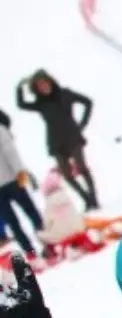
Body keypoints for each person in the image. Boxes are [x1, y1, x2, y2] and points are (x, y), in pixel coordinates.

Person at [15, 71, 99, 210]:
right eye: (39, 86)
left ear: (50, 82)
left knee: (82, 167)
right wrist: (19, 88)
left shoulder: (65, 94)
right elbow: (21, 104)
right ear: (36, 90)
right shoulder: (40, 104)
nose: (43, 87)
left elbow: (88, 102)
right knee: (67, 175)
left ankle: (94, 198)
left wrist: (83, 123)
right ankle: (86, 198)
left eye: (45, 83)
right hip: (55, 141)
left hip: (73, 136)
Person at [0, 118, 45, 259]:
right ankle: (47, 244)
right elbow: (10, 152)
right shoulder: (1, 129)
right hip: (12, 179)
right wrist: (20, 172)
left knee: (12, 222)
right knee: (31, 212)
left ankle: (30, 253)